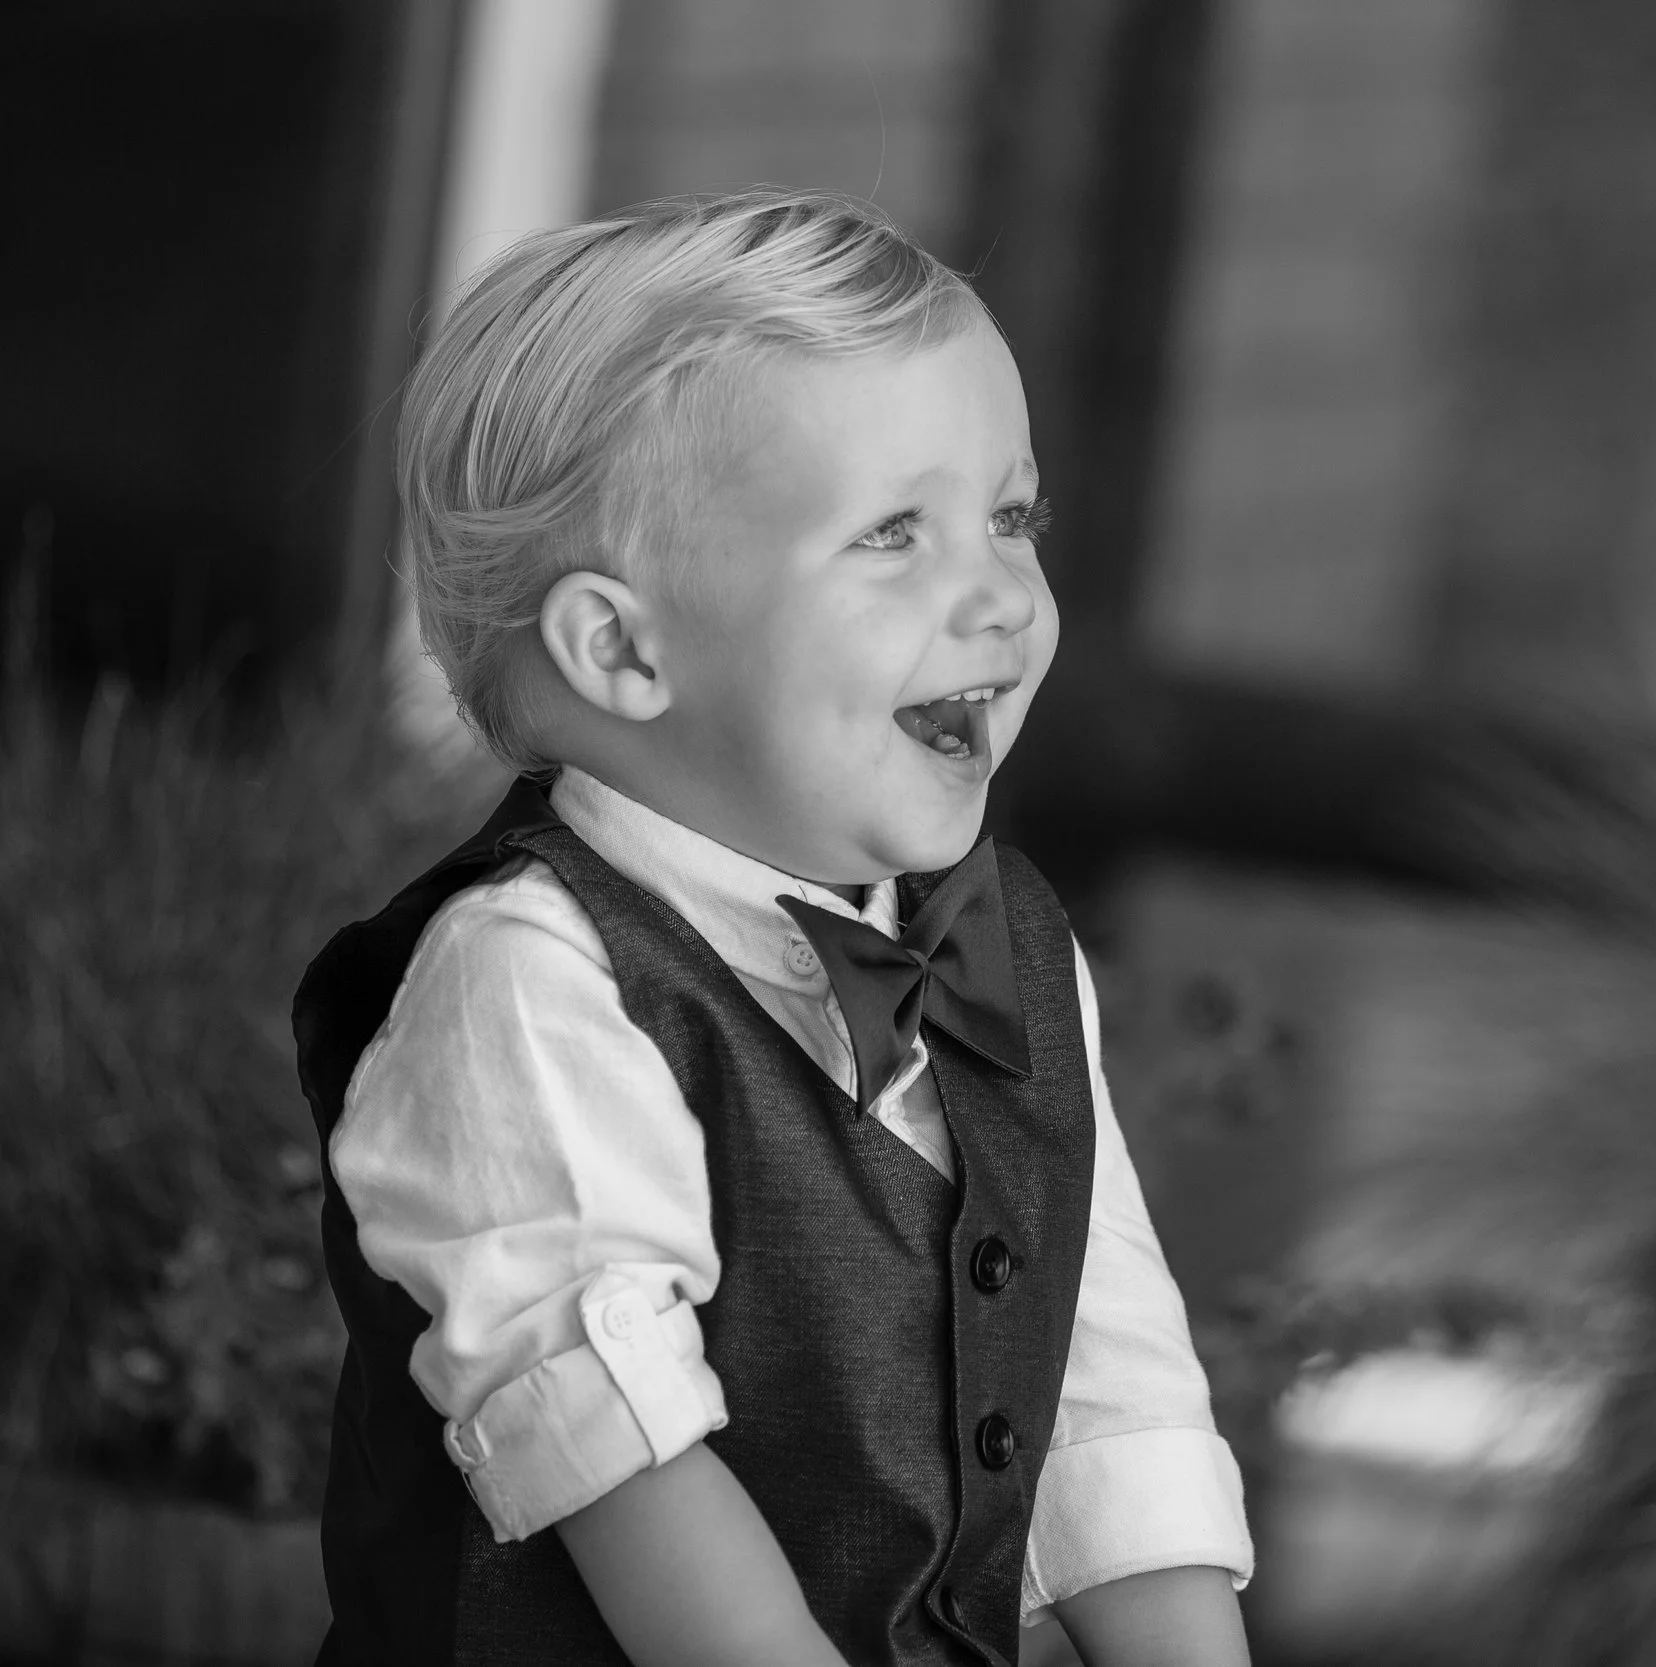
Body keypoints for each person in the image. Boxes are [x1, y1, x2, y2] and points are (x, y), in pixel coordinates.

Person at [293, 189, 1254, 1666]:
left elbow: (1104, 1375)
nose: (1000, 592)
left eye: (1010, 514)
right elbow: (625, 1458)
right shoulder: (532, 980)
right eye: (893, 535)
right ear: (623, 646)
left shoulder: (1010, 949)